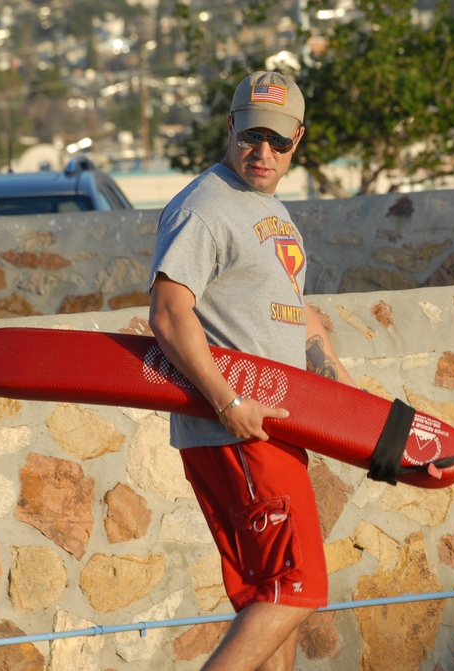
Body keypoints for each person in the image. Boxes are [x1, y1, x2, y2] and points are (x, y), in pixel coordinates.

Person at [148, 71, 355, 671]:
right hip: (238, 428)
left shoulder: (268, 208)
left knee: (270, 596)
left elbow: (296, 309)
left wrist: (337, 378)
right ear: (231, 127)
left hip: (272, 424)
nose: (263, 153)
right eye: (252, 136)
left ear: (298, 141)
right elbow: (168, 312)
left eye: (279, 142)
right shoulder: (203, 208)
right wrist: (226, 402)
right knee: (300, 587)